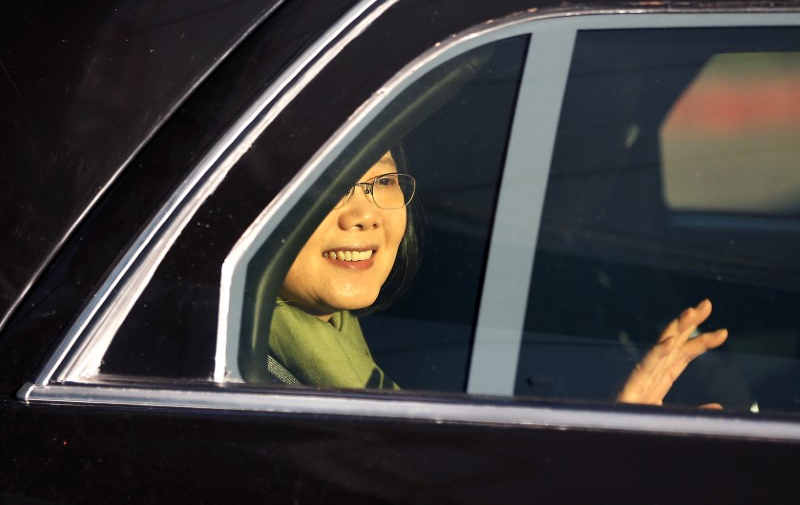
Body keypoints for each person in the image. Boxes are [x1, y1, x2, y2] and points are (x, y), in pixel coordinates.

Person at [268, 151, 729, 405]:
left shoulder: (336, 345)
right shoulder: (245, 377)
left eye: (382, 182)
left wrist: (619, 432)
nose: (364, 215)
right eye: (330, 185)